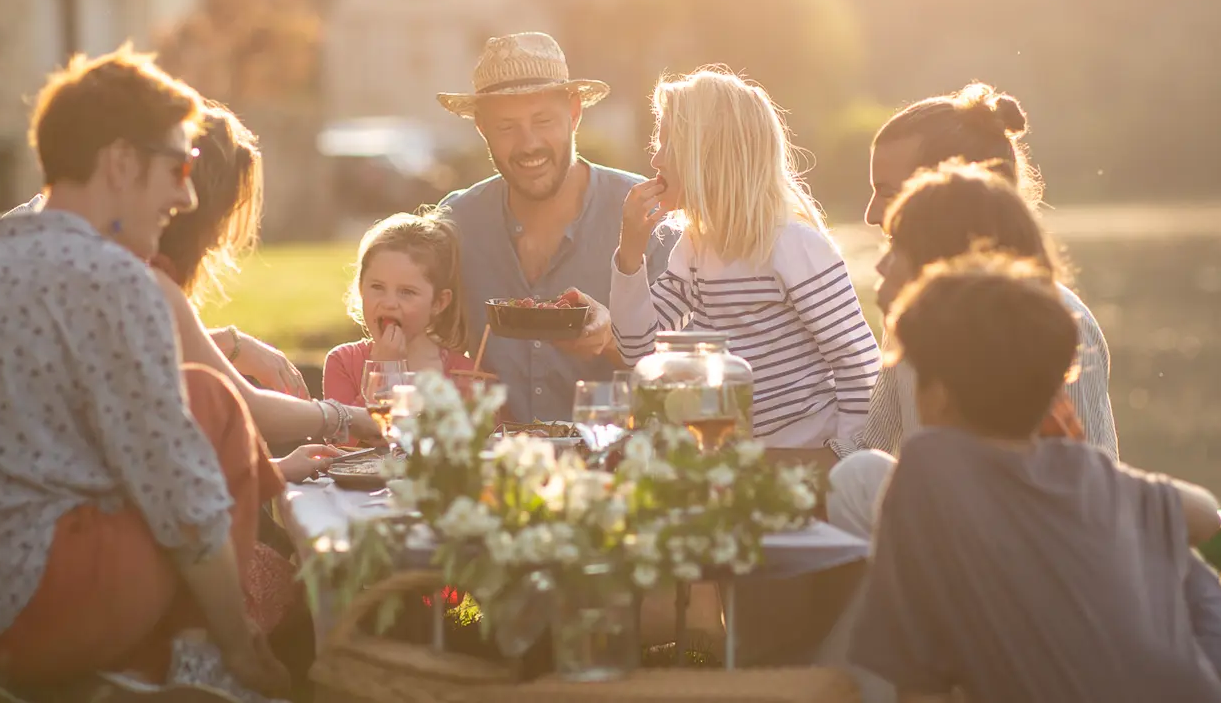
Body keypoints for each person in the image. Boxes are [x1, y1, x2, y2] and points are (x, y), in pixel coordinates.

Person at [0, 49, 286, 697]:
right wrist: (240, 640)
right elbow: (183, 495)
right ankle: (205, 669)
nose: (187, 196)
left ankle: (146, 663)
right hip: (26, 611)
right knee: (213, 403)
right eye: (180, 167)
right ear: (120, 162)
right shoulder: (112, 278)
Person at [847, 250, 1221, 703]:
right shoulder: (1083, 469)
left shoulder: (928, 465)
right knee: (1185, 563)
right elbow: (1206, 516)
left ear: (940, 395)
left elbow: (918, 686)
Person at [611, 67, 882, 464]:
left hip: (804, 457)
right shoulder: (695, 248)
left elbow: (856, 361)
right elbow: (637, 348)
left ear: (709, 154)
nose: (655, 157)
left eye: (668, 143)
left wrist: (846, 460)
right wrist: (630, 251)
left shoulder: (792, 244)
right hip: (732, 461)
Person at [853, 82, 1118, 457]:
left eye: (888, 193)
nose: (871, 214)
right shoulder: (912, 307)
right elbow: (870, 446)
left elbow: (1078, 479)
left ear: (949, 193)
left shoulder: (1055, 322)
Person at [826, 161, 1084, 538]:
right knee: (857, 477)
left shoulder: (1048, 332)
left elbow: (1083, 479)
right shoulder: (912, 340)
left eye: (896, 247)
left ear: (941, 265)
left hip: (1023, 534)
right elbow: (868, 445)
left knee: (857, 478)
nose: (880, 265)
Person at [437, 32, 673, 422]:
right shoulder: (456, 223)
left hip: (616, 455)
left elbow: (689, 370)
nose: (528, 144)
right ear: (482, 128)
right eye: (506, 127)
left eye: (543, 121)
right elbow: (422, 346)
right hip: (492, 457)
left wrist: (611, 341)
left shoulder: (648, 217)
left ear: (574, 114)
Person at [145, 104, 380, 455]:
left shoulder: (145, 274)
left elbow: (167, 351)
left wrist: (230, 343)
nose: (219, 238)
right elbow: (251, 408)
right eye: (226, 213)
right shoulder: (148, 279)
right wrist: (348, 417)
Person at [323, 211, 480, 410]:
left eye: (407, 292)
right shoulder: (343, 362)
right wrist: (383, 373)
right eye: (377, 287)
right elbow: (347, 430)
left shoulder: (464, 374)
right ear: (361, 288)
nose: (389, 303)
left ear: (438, 303)